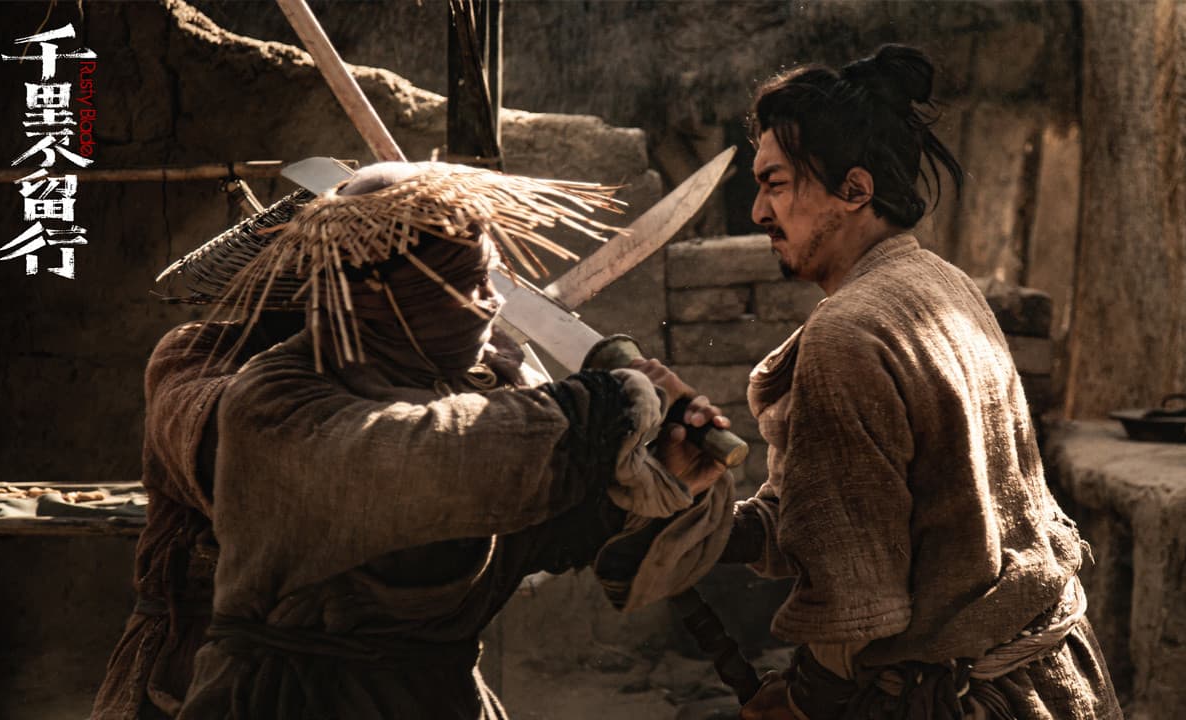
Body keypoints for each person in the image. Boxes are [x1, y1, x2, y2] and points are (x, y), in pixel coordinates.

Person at [172, 161, 734, 719]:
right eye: (472, 283)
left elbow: (521, 536)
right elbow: (423, 461)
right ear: (389, 295)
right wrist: (604, 407)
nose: (493, 302)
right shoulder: (273, 400)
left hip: (436, 698)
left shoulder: (463, 387)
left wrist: (644, 481)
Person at [722, 46, 1122, 719]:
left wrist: (804, 699)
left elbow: (855, 593)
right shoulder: (944, 282)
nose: (759, 211)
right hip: (1054, 682)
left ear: (855, 190)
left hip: (960, 699)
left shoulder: (848, 333)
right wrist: (700, 529)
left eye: (776, 184)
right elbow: (846, 511)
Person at [91, 193, 311, 720]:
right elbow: (238, 452)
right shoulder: (195, 354)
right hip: (195, 661)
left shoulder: (417, 375)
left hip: (362, 676)